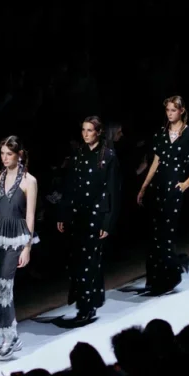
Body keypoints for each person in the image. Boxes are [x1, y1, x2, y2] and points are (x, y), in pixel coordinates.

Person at [57, 116, 122, 323]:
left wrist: (107, 222)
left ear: (98, 132)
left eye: (90, 130)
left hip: (96, 215)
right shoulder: (78, 155)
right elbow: (70, 186)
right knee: (77, 259)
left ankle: (86, 307)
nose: (86, 134)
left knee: (88, 261)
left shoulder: (108, 156)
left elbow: (112, 191)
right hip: (78, 214)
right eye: (83, 130)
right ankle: (92, 298)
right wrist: (63, 213)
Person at [0, 136, 38, 358]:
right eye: (2, 153)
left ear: (19, 155)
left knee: (4, 287)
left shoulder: (29, 181)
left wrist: (27, 247)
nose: (4, 158)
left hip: (17, 239)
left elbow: (30, 216)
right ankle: (9, 334)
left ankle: (10, 337)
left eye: (9, 154)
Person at [138, 96, 189, 294]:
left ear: (181, 111)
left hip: (175, 186)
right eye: (167, 110)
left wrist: (186, 183)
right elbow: (156, 161)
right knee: (155, 234)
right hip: (158, 185)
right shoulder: (161, 133)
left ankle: (171, 274)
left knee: (166, 232)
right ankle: (155, 278)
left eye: (173, 110)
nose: (169, 114)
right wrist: (144, 186)